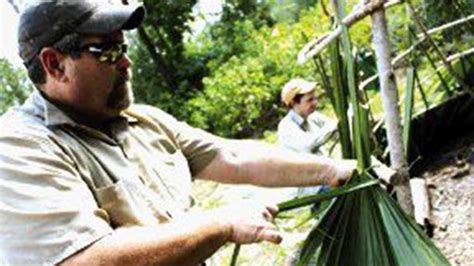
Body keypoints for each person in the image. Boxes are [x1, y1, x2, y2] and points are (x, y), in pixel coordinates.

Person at [0, 1, 356, 265]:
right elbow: (86, 260)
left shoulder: (142, 120)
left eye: (123, 48)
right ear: (54, 64)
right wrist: (219, 223)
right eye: (107, 51)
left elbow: (231, 156)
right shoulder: (20, 148)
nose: (127, 63)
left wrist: (333, 171)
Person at [277, 78, 339, 199]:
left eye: (315, 98)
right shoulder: (286, 127)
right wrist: (335, 124)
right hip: (310, 187)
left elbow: (336, 132)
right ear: (294, 103)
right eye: (309, 100)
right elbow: (309, 145)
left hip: (324, 176)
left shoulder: (312, 117)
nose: (315, 102)